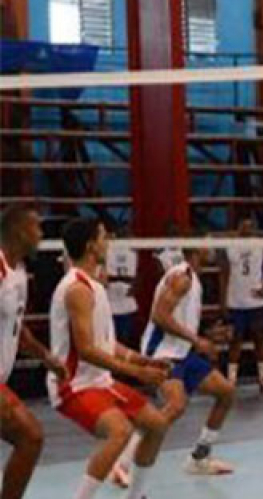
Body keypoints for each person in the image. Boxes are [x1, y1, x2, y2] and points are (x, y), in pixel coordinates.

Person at [48, 218, 171, 499]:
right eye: (104, 236)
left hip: (99, 381)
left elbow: (108, 344)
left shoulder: (96, 287)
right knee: (120, 431)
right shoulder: (77, 289)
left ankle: (136, 495)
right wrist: (137, 374)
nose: (109, 242)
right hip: (73, 384)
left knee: (156, 424)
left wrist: (143, 361)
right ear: (91, 245)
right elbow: (87, 349)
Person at [142, 237, 237, 475]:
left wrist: (207, 335)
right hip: (162, 352)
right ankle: (124, 458)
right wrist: (197, 342)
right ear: (197, 249)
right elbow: (159, 316)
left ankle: (199, 458)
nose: (213, 247)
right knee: (176, 405)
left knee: (226, 392)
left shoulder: (194, 279)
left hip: (182, 352)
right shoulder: (182, 278)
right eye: (208, 243)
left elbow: (180, 321)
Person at [0, 205, 64, 499]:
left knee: (30, 438)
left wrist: (47, 358)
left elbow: (18, 326)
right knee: (30, 436)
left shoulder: (20, 274)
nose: (41, 235)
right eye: (36, 228)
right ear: (19, 231)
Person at [219, 214, 263, 393]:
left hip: (256, 301)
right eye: (244, 225)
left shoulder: (262, 245)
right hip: (235, 302)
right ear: (238, 226)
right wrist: (223, 301)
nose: (247, 229)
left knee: (259, 340)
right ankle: (231, 382)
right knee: (235, 342)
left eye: (250, 225)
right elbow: (223, 275)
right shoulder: (230, 247)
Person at [104, 227, 140, 349]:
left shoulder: (133, 251)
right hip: (110, 303)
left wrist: (134, 284)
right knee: (111, 341)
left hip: (127, 304)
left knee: (124, 341)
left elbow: (138, 274)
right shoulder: (107, 250)